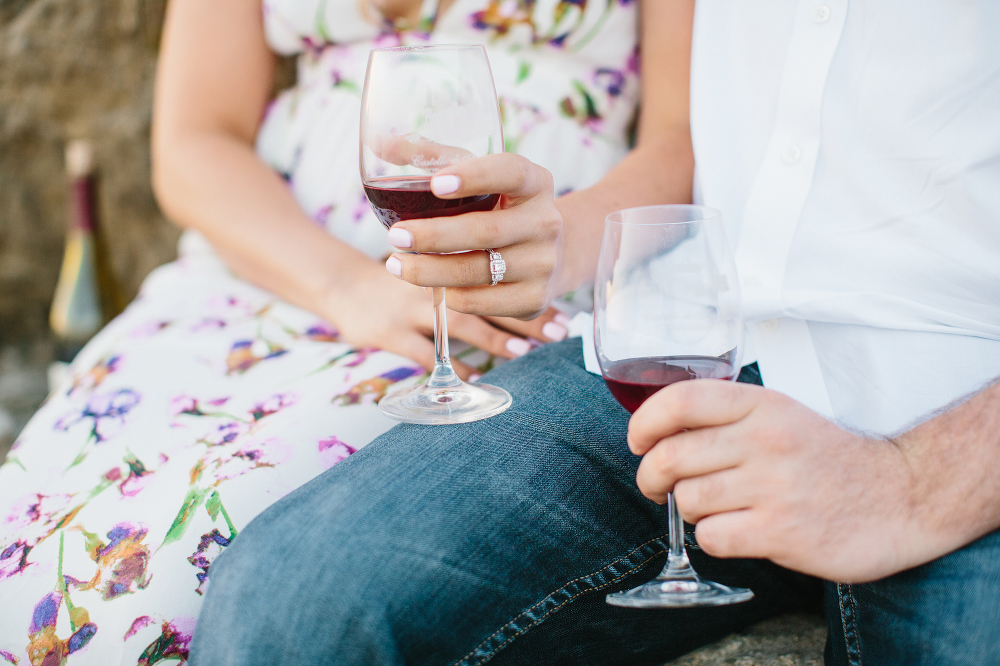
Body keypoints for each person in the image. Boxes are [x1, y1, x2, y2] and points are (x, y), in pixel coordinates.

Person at [188, 1, 1000, 665]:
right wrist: (560, 239)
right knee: (290, 603)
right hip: (680, 337)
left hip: (960, 412)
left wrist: (919, 482)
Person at [0, 0, 644, 663]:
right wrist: (350, 287)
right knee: (29, 550)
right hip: (265, 272)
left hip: (497, 297)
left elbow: (685, 138)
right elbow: (194, 139)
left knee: (191, 577)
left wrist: (553, 248)